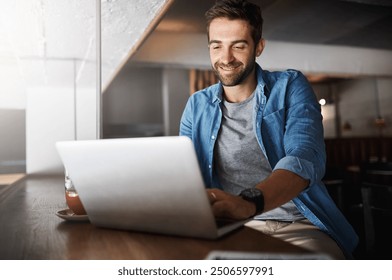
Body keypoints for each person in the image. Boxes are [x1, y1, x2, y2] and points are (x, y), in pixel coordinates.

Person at [179, 0, 358, 259]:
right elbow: (185, 174)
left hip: (300, 226)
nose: (226, 58)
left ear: (258, 47)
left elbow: (304, 157)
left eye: (238, 46)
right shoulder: (196, 105)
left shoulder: (290, 86)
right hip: (232, 229)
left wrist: (250, 203)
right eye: (217, 46)